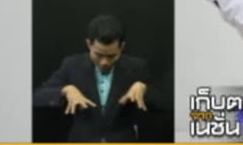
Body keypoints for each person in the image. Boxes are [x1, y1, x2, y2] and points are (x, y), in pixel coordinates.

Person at [33, 15, 165, 142]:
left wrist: (144, 89)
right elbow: (37, 96)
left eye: (111, 56)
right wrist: (65, 90)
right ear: (88, 44)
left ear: (122, 47)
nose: (104, 62)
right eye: (98, 55)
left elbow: (163, 102)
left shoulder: (137, 67)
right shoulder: (72, 65)